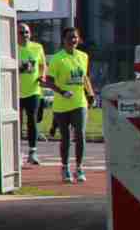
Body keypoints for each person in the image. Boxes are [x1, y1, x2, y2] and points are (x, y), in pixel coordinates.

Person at [45, 26, 93, 183]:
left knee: (80, 135)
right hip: (62, 105)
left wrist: (90, 93)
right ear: (63, 40)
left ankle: (79, 168)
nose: (73, 40)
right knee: (65, 138)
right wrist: (62, 91)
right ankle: (65, 167)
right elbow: (49, 81)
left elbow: (84, 77)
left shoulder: (83, 56)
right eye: (70, 37)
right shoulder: (57, 59)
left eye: (75, 37)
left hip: (79, 102)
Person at [15, 22, 47, 166]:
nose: (25, 35)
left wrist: (42, 76)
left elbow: (42, 65)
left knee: (32, 120)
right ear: (15, 34)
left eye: (27, 32)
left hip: (33, 90)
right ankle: (16, 152)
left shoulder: (37, 47)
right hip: (16, 91)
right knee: (16, 122)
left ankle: (32, 152)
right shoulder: (12, 48)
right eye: (21, 32)